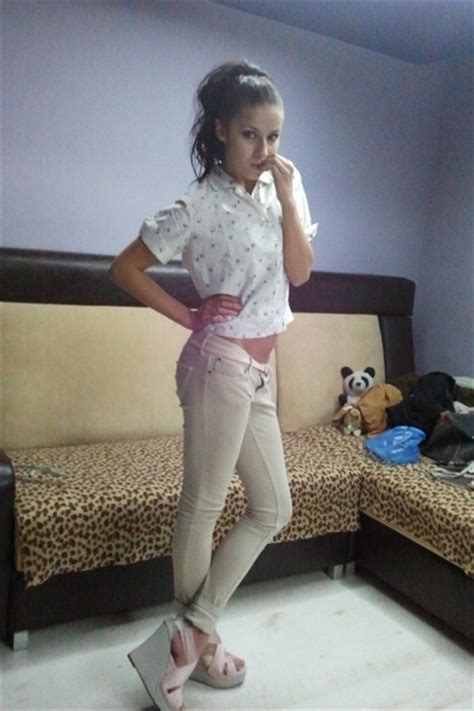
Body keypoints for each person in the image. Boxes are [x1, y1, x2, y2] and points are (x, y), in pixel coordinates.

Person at [108, 58, 318, 711]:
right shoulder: (198, 204)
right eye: (251, 134)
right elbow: (125, 269)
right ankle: (199, 647)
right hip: (217, 365)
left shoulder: (283, 189)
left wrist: (288, 200)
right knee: (202, 506)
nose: (264, 150)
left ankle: (188, 636)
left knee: (273, 507)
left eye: (274, 136)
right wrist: (188, 314)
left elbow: (301, 274)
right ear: (222, 130)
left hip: (260, 372)